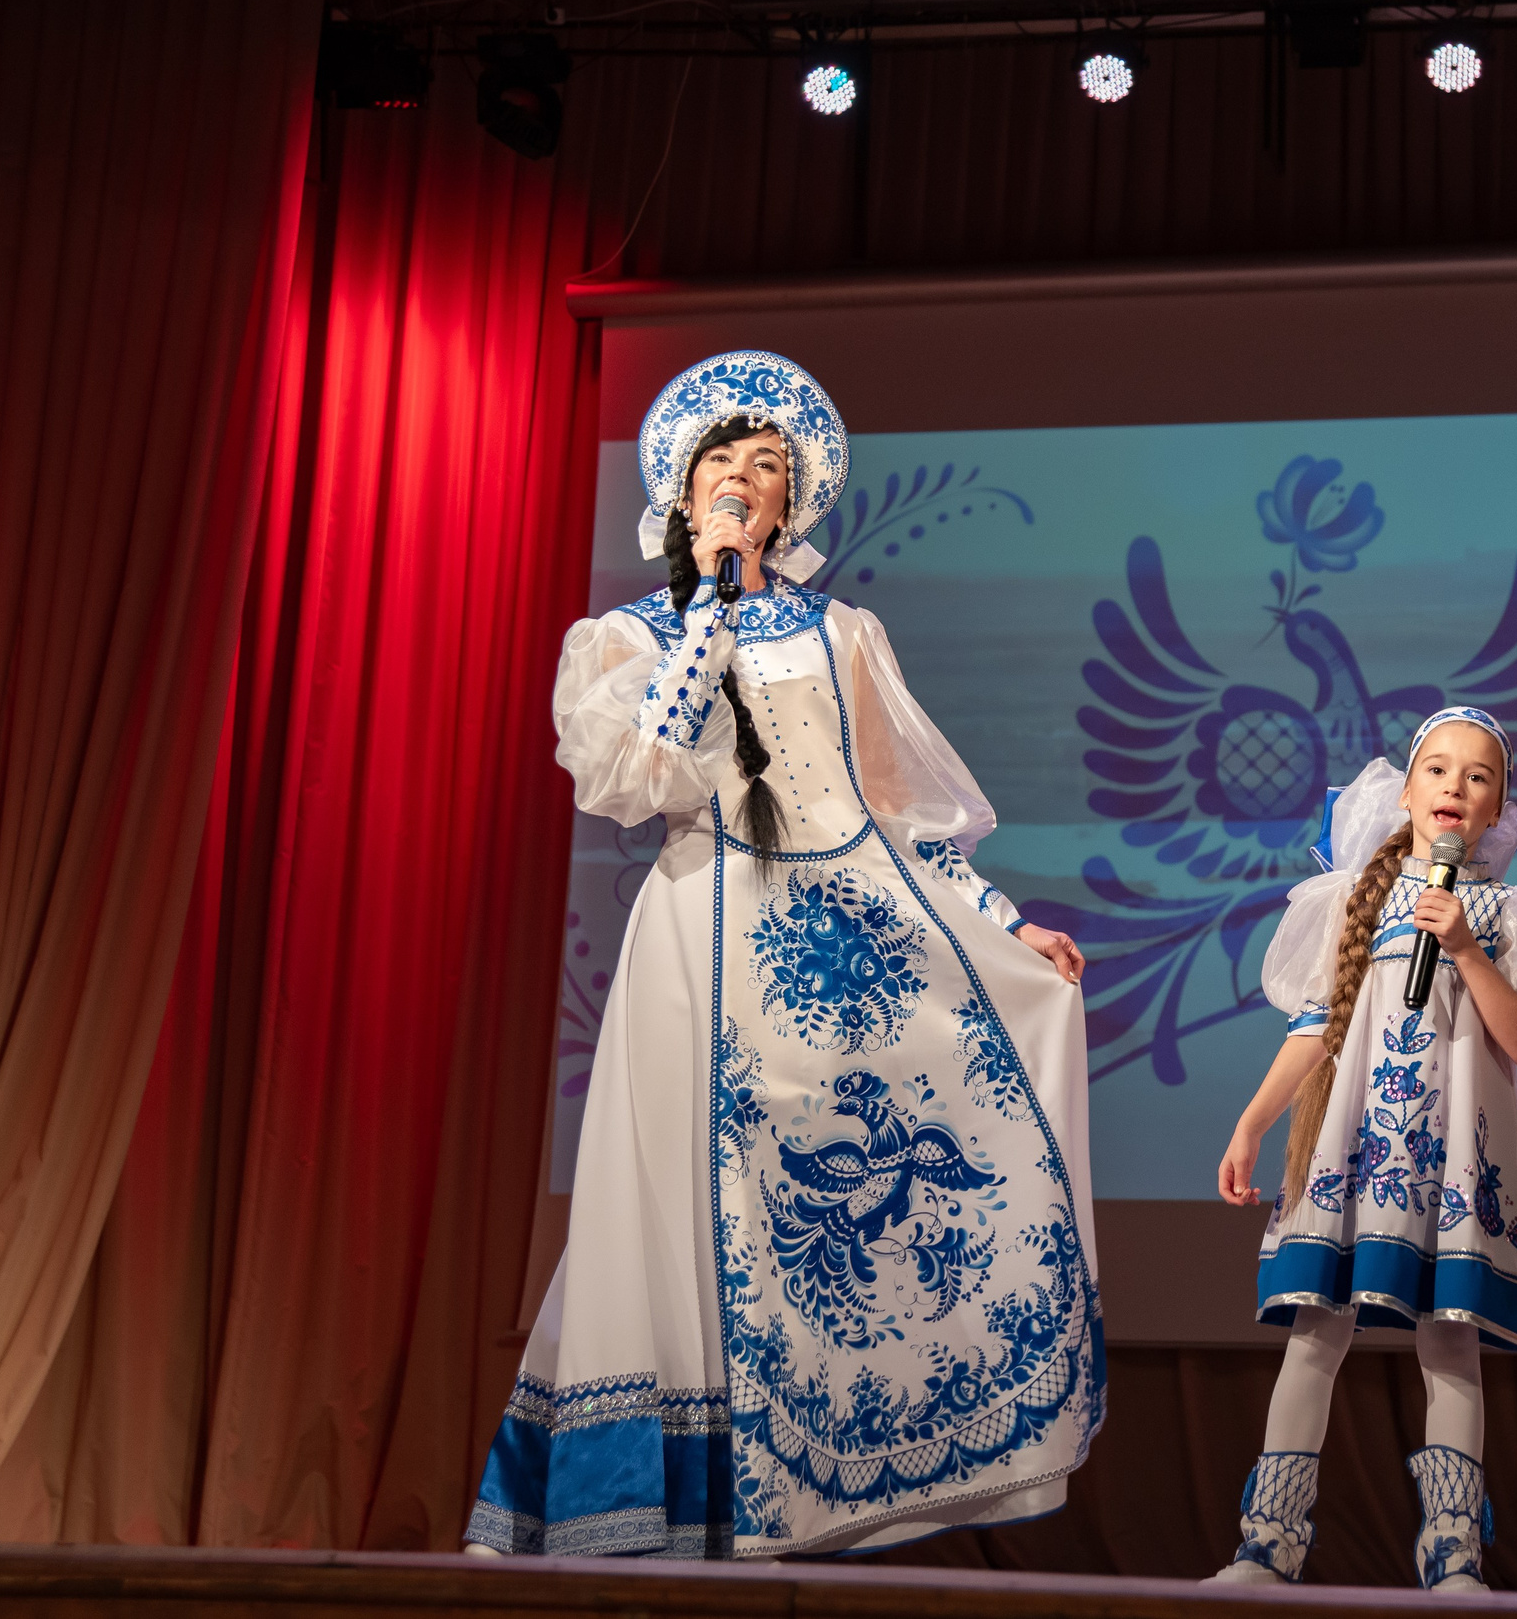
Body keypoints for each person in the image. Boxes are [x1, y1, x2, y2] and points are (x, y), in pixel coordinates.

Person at [465, 352, 1102, 1560]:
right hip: (703, 936)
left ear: (793, 499)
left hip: (846, 927)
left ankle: (807, 1495)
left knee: (846, 1190)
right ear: (682, 490)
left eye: (770, 466)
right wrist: (706, 611)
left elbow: (894, 804)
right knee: (690, 1205)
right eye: (725, 462)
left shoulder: (844, 628)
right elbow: (634, 777)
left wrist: (1000, 918)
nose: (747, 479)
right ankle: (658, 1514)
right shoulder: (625, 635)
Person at [1209, 709, 1517, 1590]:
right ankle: (1267, 1547)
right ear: (1407, 792)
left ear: (1500, 806)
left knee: (1449, 1345)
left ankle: (1454, 1556)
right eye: (1437, 770)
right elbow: (1317, 1027)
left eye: (1476, 777)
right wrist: (1253, 1120)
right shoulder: (1359, 901)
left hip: (1455, 1160)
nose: (1454, 788)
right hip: (1358, 1147)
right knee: (1314, 1333)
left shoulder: (1512, 917)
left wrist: (1464, 944)